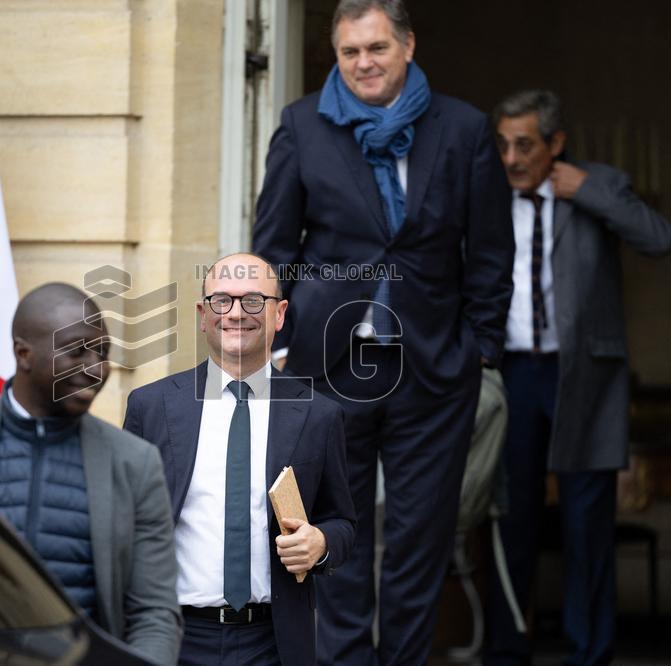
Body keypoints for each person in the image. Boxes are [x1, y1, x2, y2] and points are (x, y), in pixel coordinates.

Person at [252, 0, 514, 663]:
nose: (363, 63)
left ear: (407, 46)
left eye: (376, 48)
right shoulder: (302, 126)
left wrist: (480, 347)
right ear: (337, 56)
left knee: (419, 542)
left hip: (433, 370)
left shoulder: (463, 129)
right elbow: (275, 247)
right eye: (350, 52)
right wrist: (277, 343)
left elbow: (489, 250)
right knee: (336, 537)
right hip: (330, 364)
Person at [486, 90, 671, 665]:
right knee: (509, 518)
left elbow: (659, 239)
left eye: (525, 145)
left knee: (586, 525)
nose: (511, 158)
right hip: (512, 373)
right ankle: (507, 650)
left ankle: (588, 654)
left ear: (556, 144)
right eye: (503, 144)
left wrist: (586, 192)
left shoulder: (600, 182)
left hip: (584, 379)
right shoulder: (486, 193)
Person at [0, 282, 182, 666]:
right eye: (77, 351)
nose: (96, 370)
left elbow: (155, 614)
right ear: (23, 353)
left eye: (103, 353)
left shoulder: (134, 464)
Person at [123, 253, 356, 666]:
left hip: (272, 641)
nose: (236, 313)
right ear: (202, 313)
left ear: (279, 314)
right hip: (173, 637)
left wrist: (320, 543)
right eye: (221, 301)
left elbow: (342, 522)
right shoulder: (151, 406)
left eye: (253, 301)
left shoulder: (320, 415)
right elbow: (122, 523)